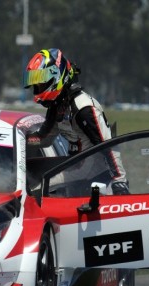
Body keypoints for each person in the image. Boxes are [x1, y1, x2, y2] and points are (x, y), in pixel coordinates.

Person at [23, 48, 129, 195]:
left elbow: (108, 146)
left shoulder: (83, 107)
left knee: (33, 191)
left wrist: (119, 182)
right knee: (32, 184)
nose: (37, 88)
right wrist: (22, 140)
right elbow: (44, 139)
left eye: (40, 83)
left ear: (56, 76)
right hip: (76, 168)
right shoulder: (58, 105)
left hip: (93, 175)